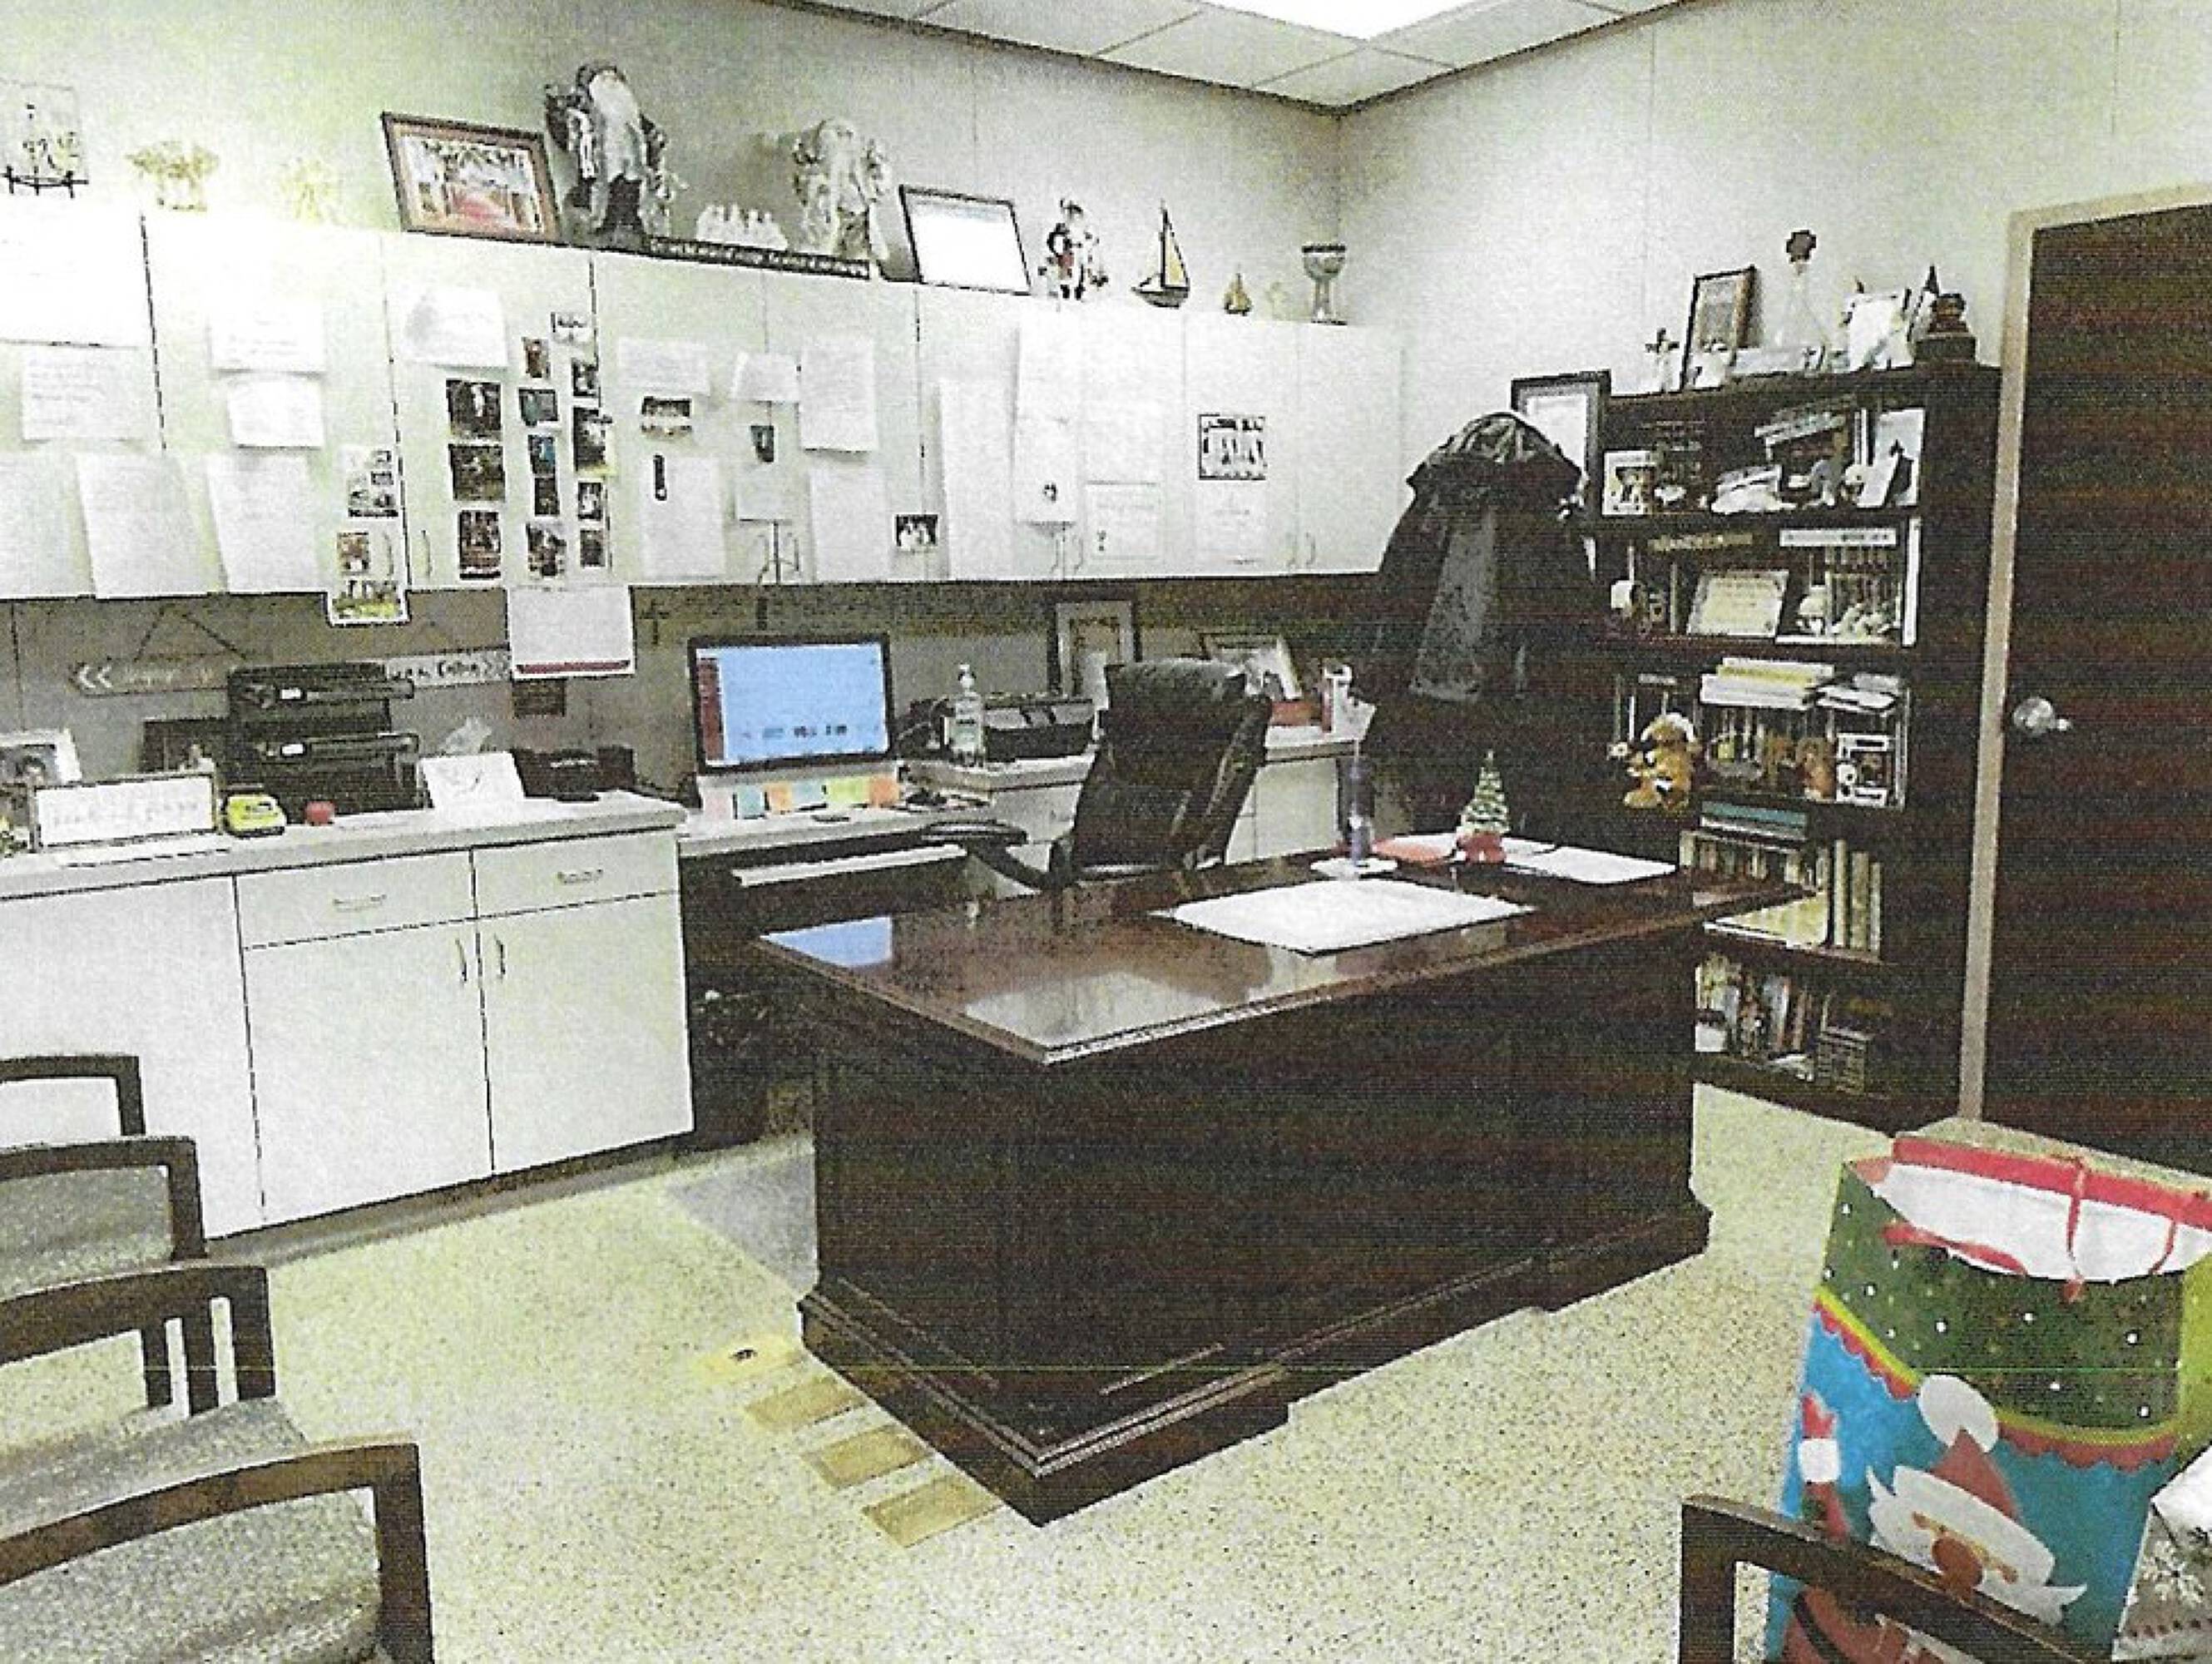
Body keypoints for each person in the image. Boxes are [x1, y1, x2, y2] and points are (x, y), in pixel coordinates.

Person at [1350, 411, 1603, 841]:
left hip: (1434, 700)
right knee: (1533, 837)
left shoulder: (1436, 507)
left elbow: (1395, 600)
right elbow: (1571, 625)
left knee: (1427, 835)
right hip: (1525, 702)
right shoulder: (1545, 514)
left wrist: (1381, 678)